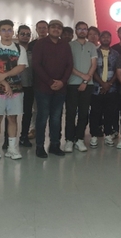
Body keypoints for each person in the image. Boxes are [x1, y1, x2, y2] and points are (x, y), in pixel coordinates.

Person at [0, 19, 28, 162]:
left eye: (9, 30)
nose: (7, 33)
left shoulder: (20, 49)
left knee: (12, 118)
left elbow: (21, 67)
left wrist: (6, 75)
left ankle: (12, 149)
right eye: (3, 30)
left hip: (16, 90)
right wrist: (5, 84)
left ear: (13, 32)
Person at [32, 19, 73, 158]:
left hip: (60, 89)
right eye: (53, 27)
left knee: (56, 118)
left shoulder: (65, 45)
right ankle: (40, 146)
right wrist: (50, 81)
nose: (56, 29)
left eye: (59, 28)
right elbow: (36, 65)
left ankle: (55, 144)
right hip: (43, 88)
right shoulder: (40, 44)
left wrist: (62, 82)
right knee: (42, 117)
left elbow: (69, 65)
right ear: (49, 29)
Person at [65, 21, 97, 153]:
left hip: (88, 85)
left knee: (84, 113)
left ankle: (79, 139)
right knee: (71, 113)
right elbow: (68, 65)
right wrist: (82, 76)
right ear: (76, 30)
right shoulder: (69, 45)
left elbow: (94, 64)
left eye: (85, 29)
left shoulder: (92, 46)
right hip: (72, 84)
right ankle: (69, 139)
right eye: (80, 29)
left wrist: (85, 80)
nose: (82, 31)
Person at [90, 31, 119, 148]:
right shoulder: (94, 52)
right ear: (100, 38)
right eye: (103, 37)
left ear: (111, 38)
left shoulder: (116, 54)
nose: (106, 39)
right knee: (95, 112)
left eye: (108, 37)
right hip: (96, 88)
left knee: (109, 112)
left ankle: (108, 134)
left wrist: (109, 84)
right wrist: (102, 84)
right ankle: (93, 135)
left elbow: (118, 71)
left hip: (111, 89)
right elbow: (93, 69)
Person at [27, 20, 48, 140]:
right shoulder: (31, 45)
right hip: (34, 80)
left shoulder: (52, 43)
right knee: (35, 108)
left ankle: (45, 130)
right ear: (36, 29)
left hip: (49, 81)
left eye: (44, 28)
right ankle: (33, 129)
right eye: (40, 28)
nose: (42, 30)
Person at [17, 25, 34, 147]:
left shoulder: (34, 50)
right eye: (22, 34)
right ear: (17, 35)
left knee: (27, 113)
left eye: (28, 34)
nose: (25, 36)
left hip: (30, 85)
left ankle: (24, 136)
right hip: (15, 85)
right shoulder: (13, 49)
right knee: (11, 114)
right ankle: (8, 139)